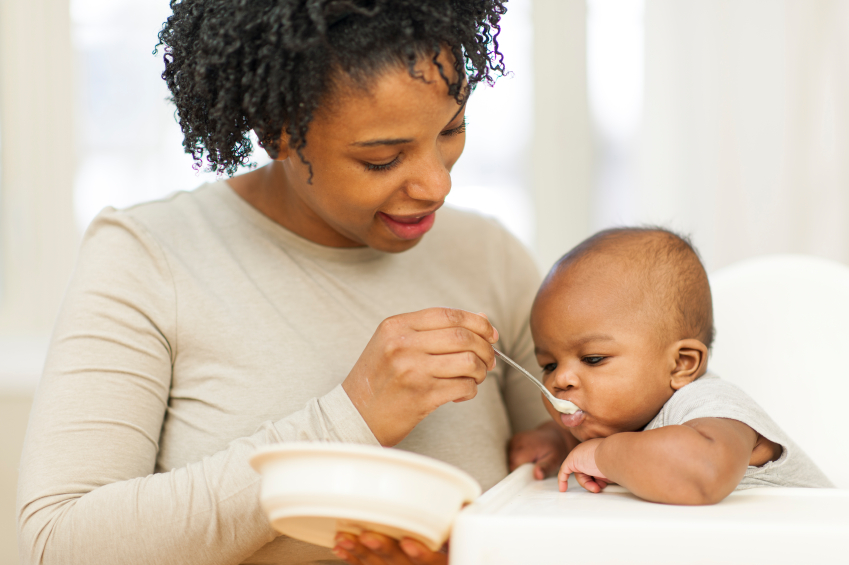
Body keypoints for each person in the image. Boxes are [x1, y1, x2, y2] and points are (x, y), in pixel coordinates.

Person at [16, 2, 572, 564]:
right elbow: (61, 544)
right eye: (382, 158)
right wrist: (349, 419)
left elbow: (584, 475)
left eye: (452, 130)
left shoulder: (488, 253)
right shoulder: (148, 255)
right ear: (277, 130)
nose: (436, 186)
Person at [531, 227, 833, 505]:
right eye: (549, 364)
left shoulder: (710, 406)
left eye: (593, 359)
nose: (561, 379)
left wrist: (600, 455)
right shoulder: (621, 417)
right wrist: (555, 439)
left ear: (680, 365)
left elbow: (702, 472)